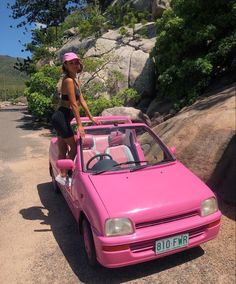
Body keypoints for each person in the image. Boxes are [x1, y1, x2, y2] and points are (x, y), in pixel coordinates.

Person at [51, 52, 99, 185]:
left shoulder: (76, 80)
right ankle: (63, 175)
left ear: (79, 64)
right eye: (70, 63)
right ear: (65, 65)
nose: (74, 65)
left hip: (63, 117)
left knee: (63, 149)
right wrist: (80, 125)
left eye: (76, 62)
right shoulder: (68, 80)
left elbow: (82, 101)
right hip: (61, 116)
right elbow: (73, 104)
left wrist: (91, 117)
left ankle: (62, 174)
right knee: (75, 146)